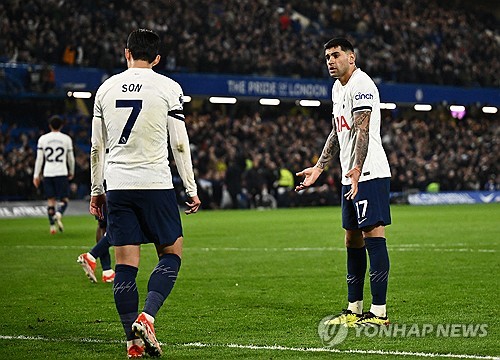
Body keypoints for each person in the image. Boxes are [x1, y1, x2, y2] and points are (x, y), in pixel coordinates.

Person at [89, 29, 201, 358]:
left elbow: (98, 147)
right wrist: (190, 188)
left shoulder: (105, 89)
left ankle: (132, 344)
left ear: (126, 53)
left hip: (118, 184)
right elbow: (179, 143)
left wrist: (97, 190)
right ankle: (147, 316)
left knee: (125, 266)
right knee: (171, 253)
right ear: (156, 58)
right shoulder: (168, 87)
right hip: (155, 182)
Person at [295, 38, 391, 327]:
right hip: (351, 174)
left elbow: (362, 129)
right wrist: (319, 167)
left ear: (352, 57)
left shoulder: (362, 85)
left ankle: (379, 312)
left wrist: (358, 168)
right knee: (351, 237)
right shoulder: (338, 89)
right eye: (327, 57)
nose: (330, 61)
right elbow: (338, 132)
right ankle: (354, 308)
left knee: (374, 235)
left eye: (336, 55)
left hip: (369, 173)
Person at [33, 115, 75, 234]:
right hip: (61, 172)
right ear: (62, 125)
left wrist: (36, 175)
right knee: (64, 199)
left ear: (49, 126)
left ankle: (52, 227)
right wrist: (71, 171)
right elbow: (70, 158)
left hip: (48, 172)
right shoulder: (66, 139)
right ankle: (58, 213)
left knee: (50, 201)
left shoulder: (43, 139)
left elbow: (39, 159)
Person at [77, 210, 115, 283]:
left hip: (100, 200)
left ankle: (107, 271)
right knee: (119, 228)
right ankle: (90, 257)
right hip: (115, 200)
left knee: (103, 226)